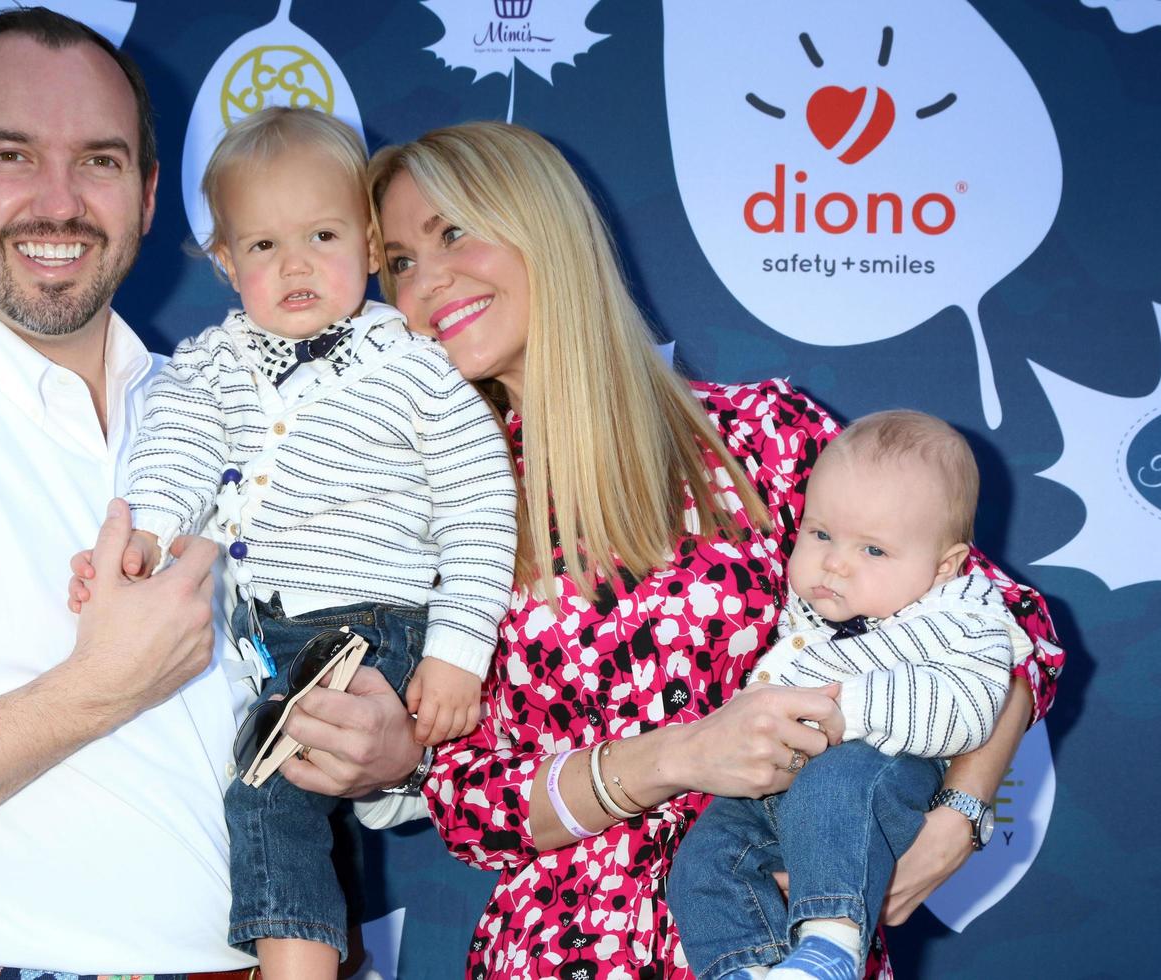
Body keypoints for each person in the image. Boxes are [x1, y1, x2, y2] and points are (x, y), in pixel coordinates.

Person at [0, 9, 420, 979]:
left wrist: (386, 758)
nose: (60, 200)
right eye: (13, 155)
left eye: (102, 161)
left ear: (150, 194)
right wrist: (89, 693)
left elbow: (309, 692)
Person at [367, 121, 1065, 980]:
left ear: (543, 225)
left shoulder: (764, 439)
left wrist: (954, 821)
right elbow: (467, 803)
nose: (427, 282)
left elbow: (1013, 629)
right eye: (399, 261)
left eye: (453, 231)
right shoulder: (430, 514)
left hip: (788, 940)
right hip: (563, 953)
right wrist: (677, 757)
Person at [83, 105, 517, 978]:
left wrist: (458, 653)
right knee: (258, 796)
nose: (295, 266)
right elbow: (176, 447)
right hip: (266, 640)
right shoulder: (210, 364)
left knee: (270, 793)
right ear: (225, 262)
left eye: (321, 235)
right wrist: (152, 532)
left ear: (365, 243)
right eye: (263, 247)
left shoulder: (417, 367)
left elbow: (478, 511)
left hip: (371, 627)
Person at [667, 410, 1034, 980]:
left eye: (873, 551)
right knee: (707, 856)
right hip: (778, 782)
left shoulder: (965, 617)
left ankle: (831, 946)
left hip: (882, 773)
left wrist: (851, 710)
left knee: (834, 784)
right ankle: (742, 966)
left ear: (945, 566)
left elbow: (969, 712)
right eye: (820, 535)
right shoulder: (809, 612)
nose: (834, 562)